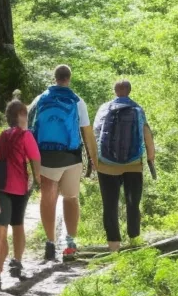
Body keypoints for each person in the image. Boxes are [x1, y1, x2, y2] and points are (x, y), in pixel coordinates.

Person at [29, 65, 98, 261]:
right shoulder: (78, 101)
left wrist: (31, 161)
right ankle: (70, 243)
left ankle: (50, 242)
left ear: (55, 77)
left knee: (48, 199)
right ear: (69, 78)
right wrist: (93, 160)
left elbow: (30, 129)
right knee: (71, 198)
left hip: (47, 157)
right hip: (71, 157)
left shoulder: (40, 98)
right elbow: (86, 132)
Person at [93, 80, 155, 252]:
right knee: (133, 202)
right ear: (129, 91)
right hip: (133, 165)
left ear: (114, 91)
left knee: (110, 204)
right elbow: (147, 134)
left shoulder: (104, 109)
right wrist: (150, 157)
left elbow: (95, 134)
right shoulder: (137, 109)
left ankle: (114, 246)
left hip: (106, 165)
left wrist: (93, 161)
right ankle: (134, 240)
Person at [0, 100, 41, 289]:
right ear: (20, 116)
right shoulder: (26, 136)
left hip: (1, 187)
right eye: (24, 113)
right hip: (20, 188)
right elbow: (35, 159)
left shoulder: (1, 135)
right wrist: (39, 181)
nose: (26, 117)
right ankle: (16, 261)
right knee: (18, 225)